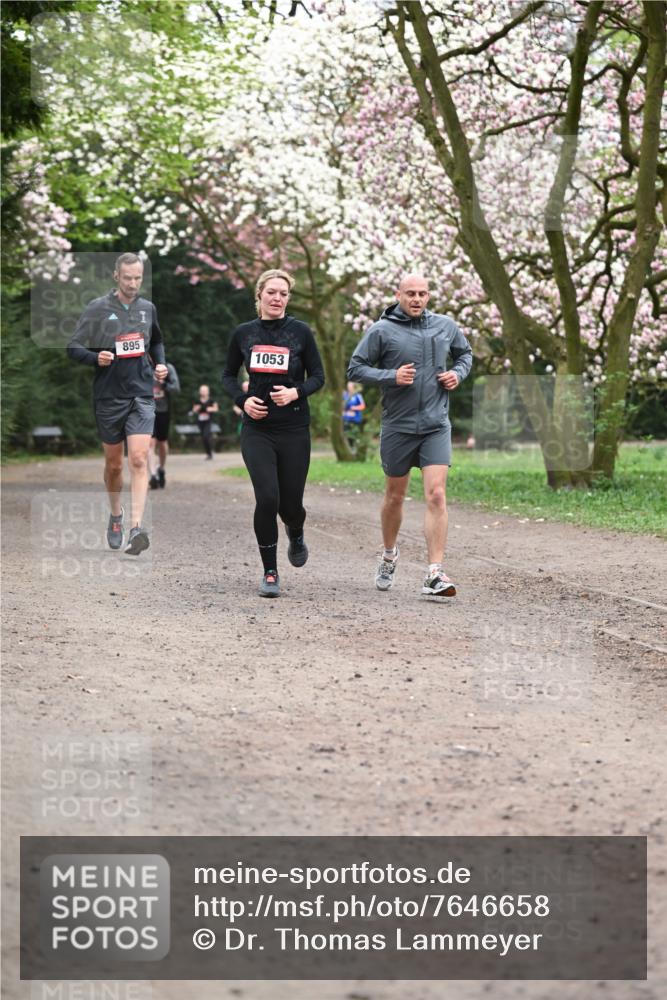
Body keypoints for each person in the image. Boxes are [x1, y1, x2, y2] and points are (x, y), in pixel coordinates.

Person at [347, 273, 472, 596]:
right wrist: (391, 376)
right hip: (398, 426)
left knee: (437, 494)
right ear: (398, 295)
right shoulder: (381, 330)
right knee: (395, 497)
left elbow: (465, 354)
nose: (417, 299)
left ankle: (435, 573)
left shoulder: (445, 326)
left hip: (435, 424)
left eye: (422, 293)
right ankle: (389, 554)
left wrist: (457, 374)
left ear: (428, 296)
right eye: (411, 293)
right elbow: (356, 368)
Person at [222, 268, 325, 598]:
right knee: (267, 497)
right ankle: (270, 571)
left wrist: (296, 392)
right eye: (272, 292)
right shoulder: (244, 334)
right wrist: (243, 401)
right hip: (258, 430)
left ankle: (296, 530)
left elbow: (318, 376)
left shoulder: (301, 332)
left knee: (290, 505)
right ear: (259, 295)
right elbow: (227, 376)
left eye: (283, 293)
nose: (277, 298)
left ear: (288, 298)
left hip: (294, 428)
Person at [67, 252, 168, 555]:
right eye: (127, 278)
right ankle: (116, 516)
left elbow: (156, 341)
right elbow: (73, 346)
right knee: (114, 465)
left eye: (138, 278)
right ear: (116, 276)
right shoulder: (97, 308)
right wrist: (94, 357)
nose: (133, 284)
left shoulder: (148, 309)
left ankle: (136, 527)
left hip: (142, 393)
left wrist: (160, 363)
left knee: (138, 458)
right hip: (109, 395)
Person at [149, 361, 180, 489]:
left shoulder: (168, 368)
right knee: (150, 443)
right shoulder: (143, 366)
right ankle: (153, 475)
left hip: (163, 410)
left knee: (162, 442)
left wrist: (164, 384)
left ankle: (161, 469)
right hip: (147, 410)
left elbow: (176, 388)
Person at [191, 385, 219, 459]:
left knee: (206, 436)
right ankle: (208, 453)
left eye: (204, 391)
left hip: (208, 421)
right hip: (200, 421)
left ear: (208, 392)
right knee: (203, 437)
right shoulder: (197, 401)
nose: (203, 392)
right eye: (201, 391)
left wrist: (210, 409)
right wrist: (197, 409)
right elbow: (194, 410)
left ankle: (210, 452)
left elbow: (216, 409)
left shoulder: (211, 400)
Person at [342, 380, 365, 448]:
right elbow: (341, 406)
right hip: (346, 418)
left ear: (353, 386)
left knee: (355, 434)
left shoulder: (357, 395)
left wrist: (353, 408)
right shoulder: (345, 395)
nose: (349, 387)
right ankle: (349, 447)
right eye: (348, 386)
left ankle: (356, 447)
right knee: (347, 434)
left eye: (350, 386)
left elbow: (363, 406)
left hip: (355, 419)